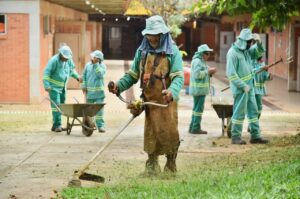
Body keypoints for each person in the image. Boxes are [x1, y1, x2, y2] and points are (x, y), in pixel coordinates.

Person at [108, 15, 184, 175]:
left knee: (169, 132)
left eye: (156, 35)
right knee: (151, 133)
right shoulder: (142, 52)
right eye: (150, 35)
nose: (153, 38)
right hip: (149, 100)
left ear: (163, 34)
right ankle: (151, 166)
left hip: (166, 101)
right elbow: (132, 75)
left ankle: (171, 166)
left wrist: (172, 91)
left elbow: (178, 76)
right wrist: (119, 86)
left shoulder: (173, 53)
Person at [226, 29, 269, 144]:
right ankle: (235, 137)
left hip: (250, 87)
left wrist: (259, 42)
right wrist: (243, 86)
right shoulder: (233, 53)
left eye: (251, 42)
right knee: (239, 112)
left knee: (253, 111)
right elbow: (231, 74)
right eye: (249, 42)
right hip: (241, 89)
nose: (250, 44)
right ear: (243, 41)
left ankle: (255, 136)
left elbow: (259, 52)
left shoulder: (246, 52)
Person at [43, 45, 82, 132]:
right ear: (60, 54)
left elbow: (71, 71)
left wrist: (77, 77)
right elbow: (46, 73)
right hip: (54, 88)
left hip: (63, 88)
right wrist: (47, 85)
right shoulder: (54, 61)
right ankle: (58, 125)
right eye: (65, 57)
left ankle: (55, 125)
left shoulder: (69, 61)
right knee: (56, 106)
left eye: (68, 57)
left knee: (62, 106)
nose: (66, 59)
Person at [188, 44, 216, 134]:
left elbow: (204, 71)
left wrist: (209, 72)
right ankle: (196, 128)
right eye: (207, 53)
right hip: (198, 90)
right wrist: (208, 72)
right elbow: (197, 75)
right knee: (198, 110)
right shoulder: (197, 61)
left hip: (199, 90)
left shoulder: (201, 61)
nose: (209, 56)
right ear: (202, 53)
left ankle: (192, 127)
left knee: (196, 109)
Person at [81, 50, 106, 132]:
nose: (92, 58)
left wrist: (96, 65)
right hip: (89, 93)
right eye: (92, 57)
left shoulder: (102, 66)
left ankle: (101, 126)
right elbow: (83, 76)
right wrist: (84, 85)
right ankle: (90, 125)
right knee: (89, 111)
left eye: (94, 57)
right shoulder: (87, 65)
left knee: (99, 111)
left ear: (98, 59)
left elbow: (100, 75)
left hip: (99, 93)